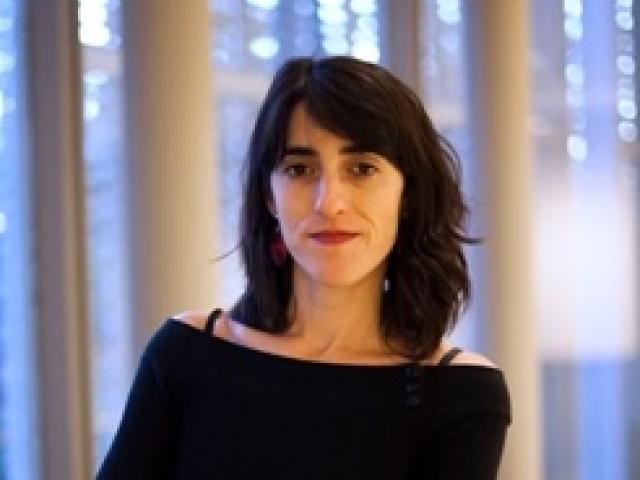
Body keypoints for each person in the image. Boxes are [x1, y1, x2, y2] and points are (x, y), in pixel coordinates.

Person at [97, 56, 511, 479]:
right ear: (269, 198)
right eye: (300, 169)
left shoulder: (461, 394)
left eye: (362, 168)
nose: (328, 202)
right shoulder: (185, 354)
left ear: (408, 196)